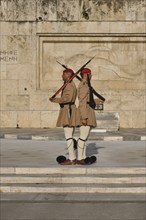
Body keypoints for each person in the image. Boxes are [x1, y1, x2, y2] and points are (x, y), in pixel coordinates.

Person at [49, 68, 77, 165]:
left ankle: (72, 158)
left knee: (68, 136)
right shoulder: (69, 84)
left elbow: (67, 98)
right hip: (68, 110)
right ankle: (73, 156)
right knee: (69, 135)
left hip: (67, 111)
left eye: (63, 74)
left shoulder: (69, 85)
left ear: (68, 75)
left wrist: (55, 100)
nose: (62, 76)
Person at [76, 68, 103, 165]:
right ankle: (79, 158)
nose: (91, 76)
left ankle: (83, 157)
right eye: (90, 74)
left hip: (88, 111)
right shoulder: (83, 86)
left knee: (85, 137)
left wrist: (97, 101)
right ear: (86, 75)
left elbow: (88, 100)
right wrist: (83, 117)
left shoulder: (87, 85)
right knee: (82, 137)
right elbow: (82, 102)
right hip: (86, 112)